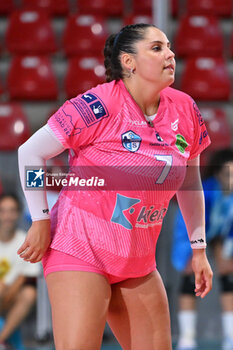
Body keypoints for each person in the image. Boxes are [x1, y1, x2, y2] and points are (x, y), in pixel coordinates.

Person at [17, 23, 213, 350]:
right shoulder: (99, 105)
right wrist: (40, 220)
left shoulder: (185, 108)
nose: (170, 54)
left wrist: (199, 247)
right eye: (157, 48)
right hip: (79, 247)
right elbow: (30, 153)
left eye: (169, 46)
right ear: (128, 62)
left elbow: (190, 182)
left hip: (137, 259)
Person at [172, 149, 233, 350]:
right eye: (228, 174)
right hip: (192, 235)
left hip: (218, 237)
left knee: (229, 274)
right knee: (191, 276)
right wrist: (191, 255)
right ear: (218, 174)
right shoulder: (204, 192)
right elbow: (188, 225)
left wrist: (226, 253)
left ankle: (230, 338)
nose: (232, 180)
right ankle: (187, 339)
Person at [0, 193, 40, 350]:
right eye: (3, 211)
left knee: (29, 293)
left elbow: (24, 280)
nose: (7, 216)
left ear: (18, 213)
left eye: (12, 210)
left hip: (10, 299)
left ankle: (1, 339)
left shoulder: (26, 242)